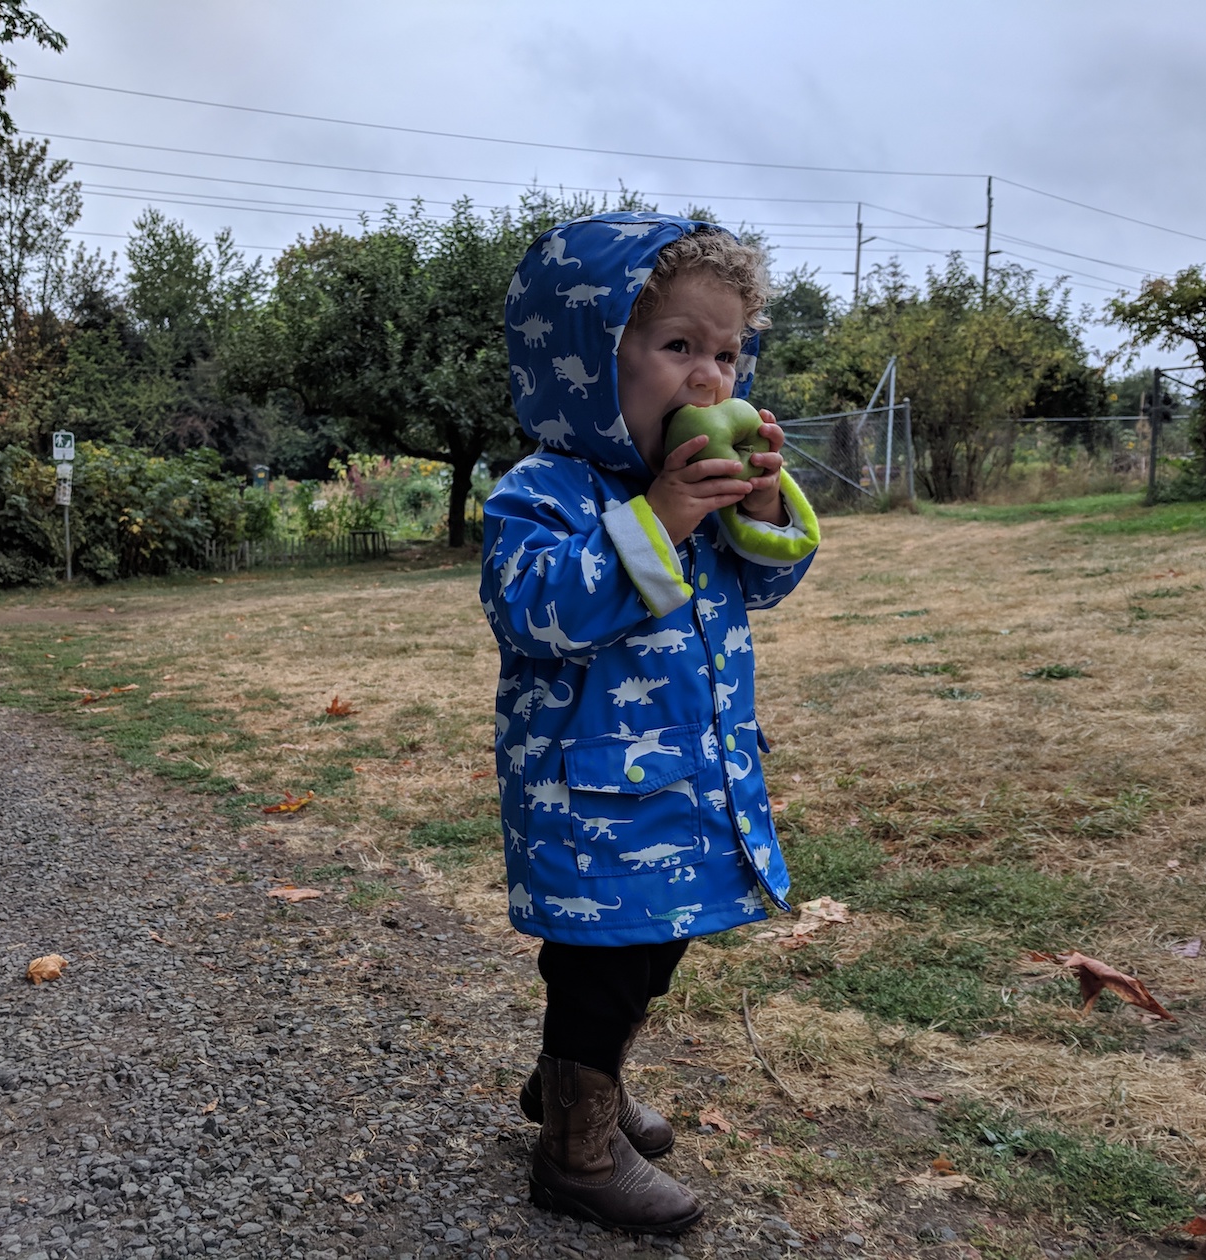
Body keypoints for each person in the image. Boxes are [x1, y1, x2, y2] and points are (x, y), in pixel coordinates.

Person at [481, 213, 821, 1234]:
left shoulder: (695, 485)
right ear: (588, 362)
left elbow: (770, 585)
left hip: (686, 780)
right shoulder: (540, 493)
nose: (711, 382)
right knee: (600, 963)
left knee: (654, 951)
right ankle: (576, 1150)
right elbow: (537, 610)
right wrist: (661, 518)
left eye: (726, 353)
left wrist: (755, 506)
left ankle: (576, 1081)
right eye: (678, 348)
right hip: (593, 798)